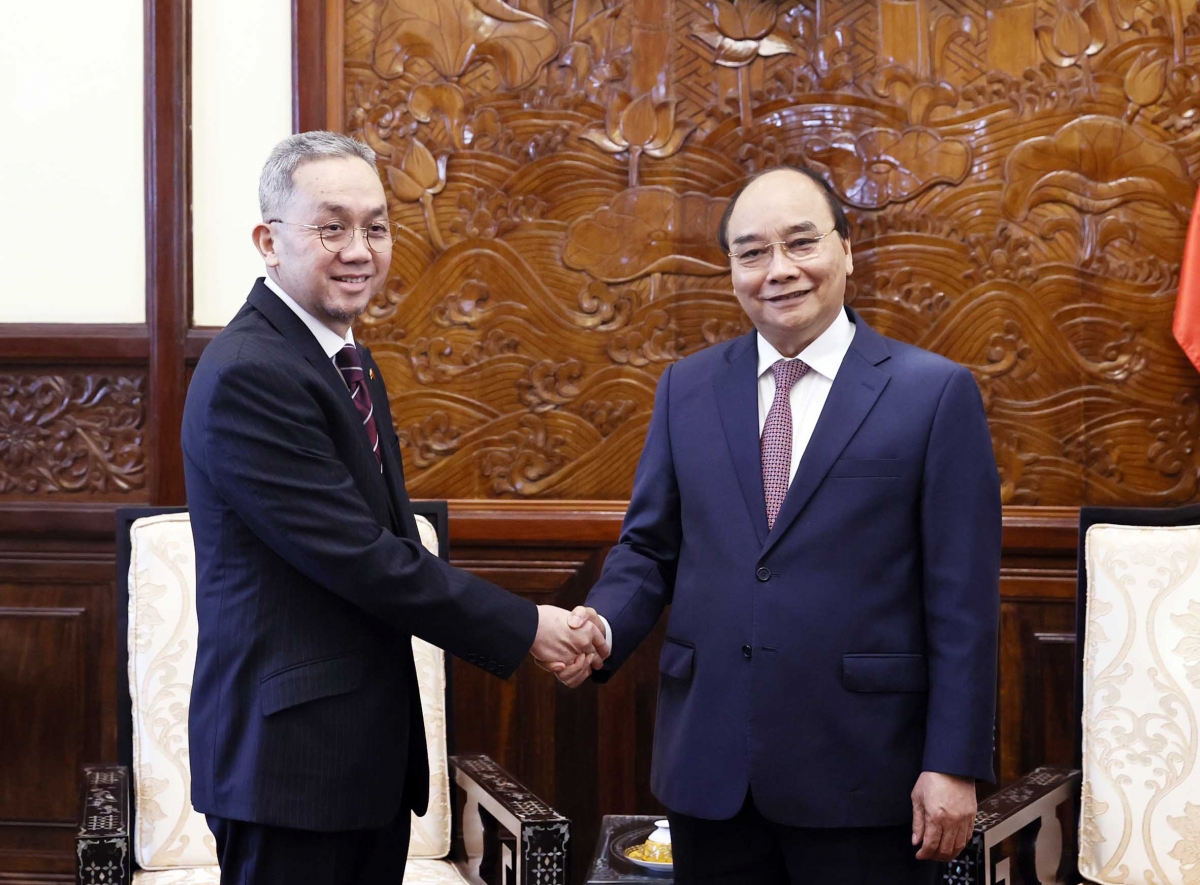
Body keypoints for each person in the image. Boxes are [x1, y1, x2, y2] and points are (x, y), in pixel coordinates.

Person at [181, 131, 607, 885]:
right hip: (291, 771)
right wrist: (527, 625)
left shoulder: (344, 359)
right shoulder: (252, 373)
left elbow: (386, 542)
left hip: (356, 759)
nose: (359, 250)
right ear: (268, 241)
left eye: (375, 227)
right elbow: (362, 558)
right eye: (332, 227)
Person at [560, 166, 1001, 884]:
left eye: (801, 243)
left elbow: (964, 601)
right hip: (712, 772)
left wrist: (953, 762)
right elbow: (649, 548)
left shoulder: (934, 393)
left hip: (866, 772)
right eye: (753, 252)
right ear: (732, 270)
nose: (779, 270)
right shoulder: (686, 387)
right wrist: (603, 625)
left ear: (846, 249)